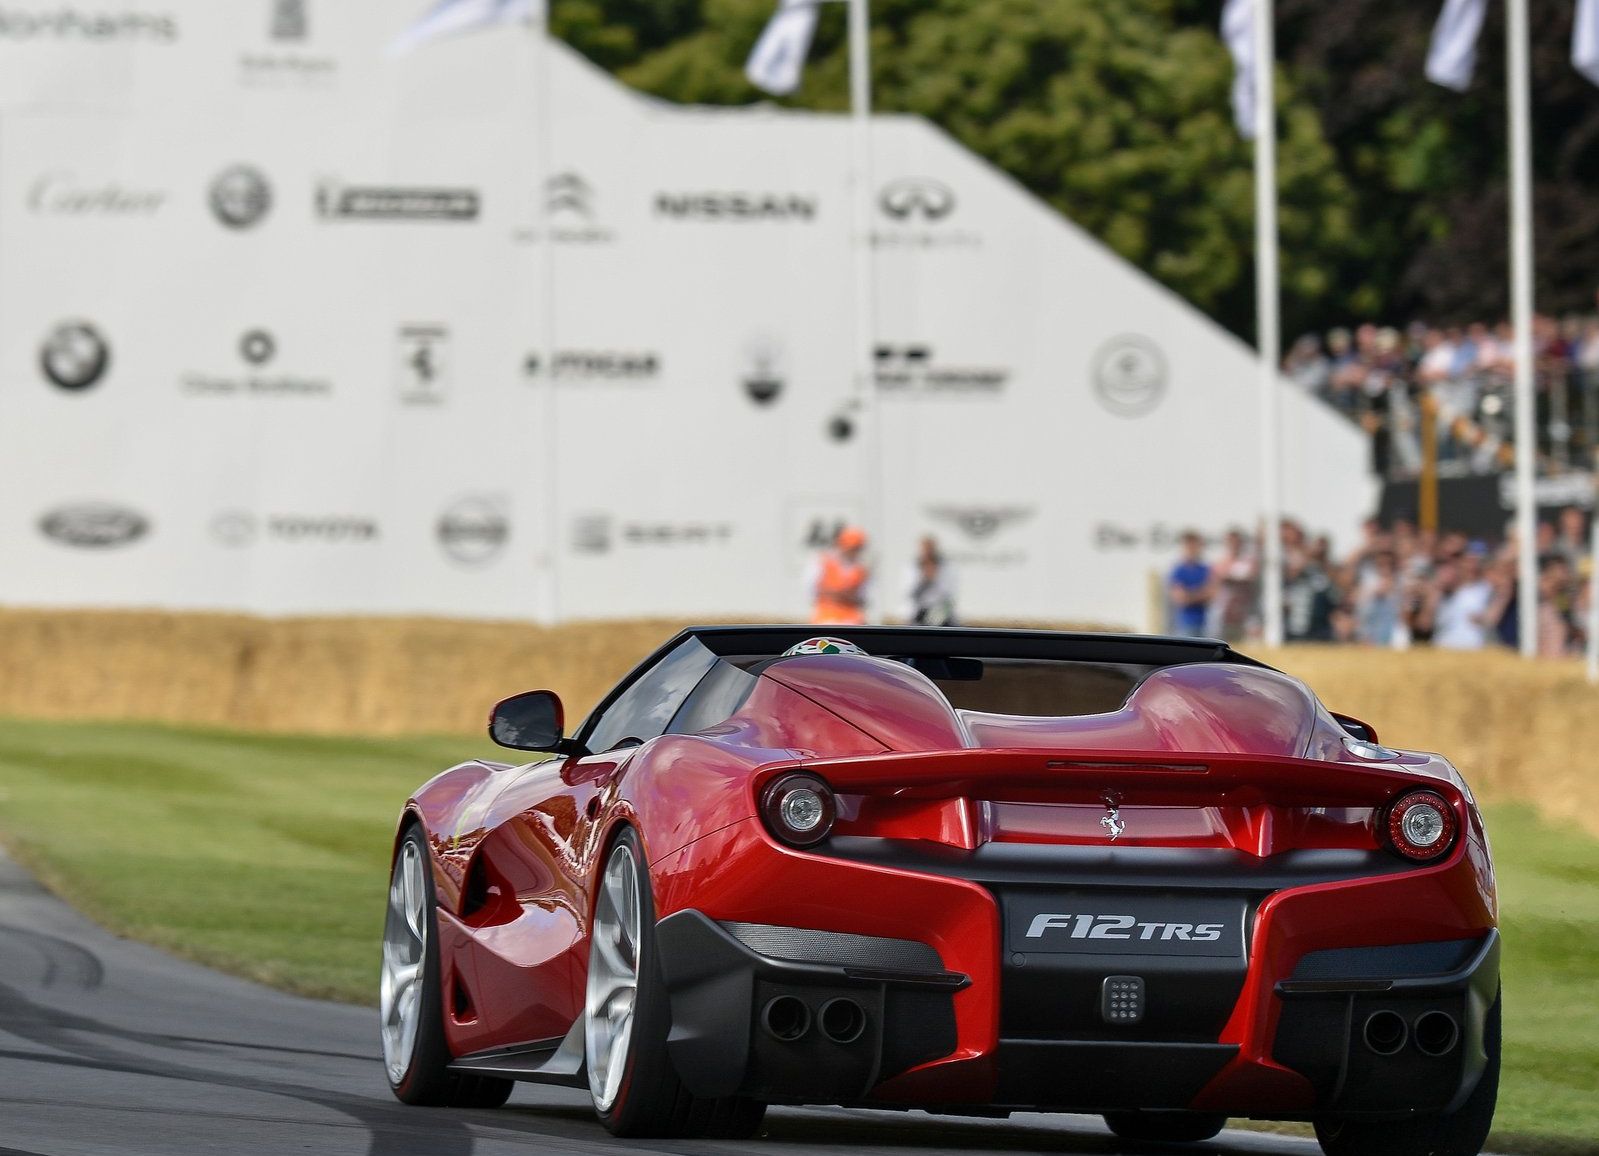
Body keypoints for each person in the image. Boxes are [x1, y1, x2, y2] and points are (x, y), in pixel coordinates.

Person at [808, 525, 871, 626]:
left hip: (853, 619)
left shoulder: (861, 570)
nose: (853, 552)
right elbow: (812, 591)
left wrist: (841, 595)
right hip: (825, 618)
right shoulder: (823, 563)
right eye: (850, 548)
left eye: (856, 548)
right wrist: (839, 594)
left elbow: (864, 599)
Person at [903, 536, 957, 626]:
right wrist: (924, 580)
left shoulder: (946, 568)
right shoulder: (911, 568)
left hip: (941, 613)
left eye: (930, 549)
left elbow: (949, 594)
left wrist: (934, 578)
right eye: (926, 549)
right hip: (918, 613)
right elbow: (908, 593)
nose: (928, 553)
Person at [1167, 531, 1213, 638]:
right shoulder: (1178, 570)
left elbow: (1211, 594)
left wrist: (1190, 595)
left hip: (1205, 624)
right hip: (1184, 625)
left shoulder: (1205, 569)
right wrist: (1200, 593)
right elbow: (1180, 598)